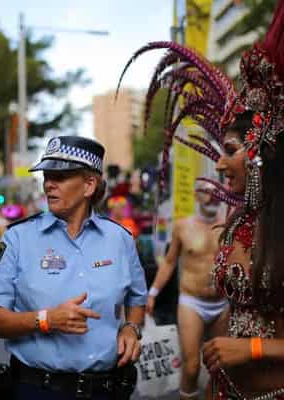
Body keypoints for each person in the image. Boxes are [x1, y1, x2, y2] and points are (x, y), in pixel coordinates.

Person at [119, 0, 284, 398]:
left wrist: (252, 349)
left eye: (229, 150)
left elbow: (249, 340)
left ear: (261, 149)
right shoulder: (239, 224)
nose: (220, 164)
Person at [0, 135, 147, 400]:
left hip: (106, 390)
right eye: (46, 176)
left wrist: (131, 328)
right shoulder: (17, 238)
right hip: (37, 390)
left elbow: (137, 298)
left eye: (60, 177)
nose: (49, 185)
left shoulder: (120, 239)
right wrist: (46, 320)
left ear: (89, 185)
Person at [146, 185, 226, 399]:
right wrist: (152, 293)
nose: (212, 196)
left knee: (221, 366)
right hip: (192, 303)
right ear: (196, 195)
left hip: (222, 303)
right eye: (206, 191)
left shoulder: (229, 223)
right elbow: (169, 262)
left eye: (216, 192)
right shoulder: (183, 226)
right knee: (191, 367)